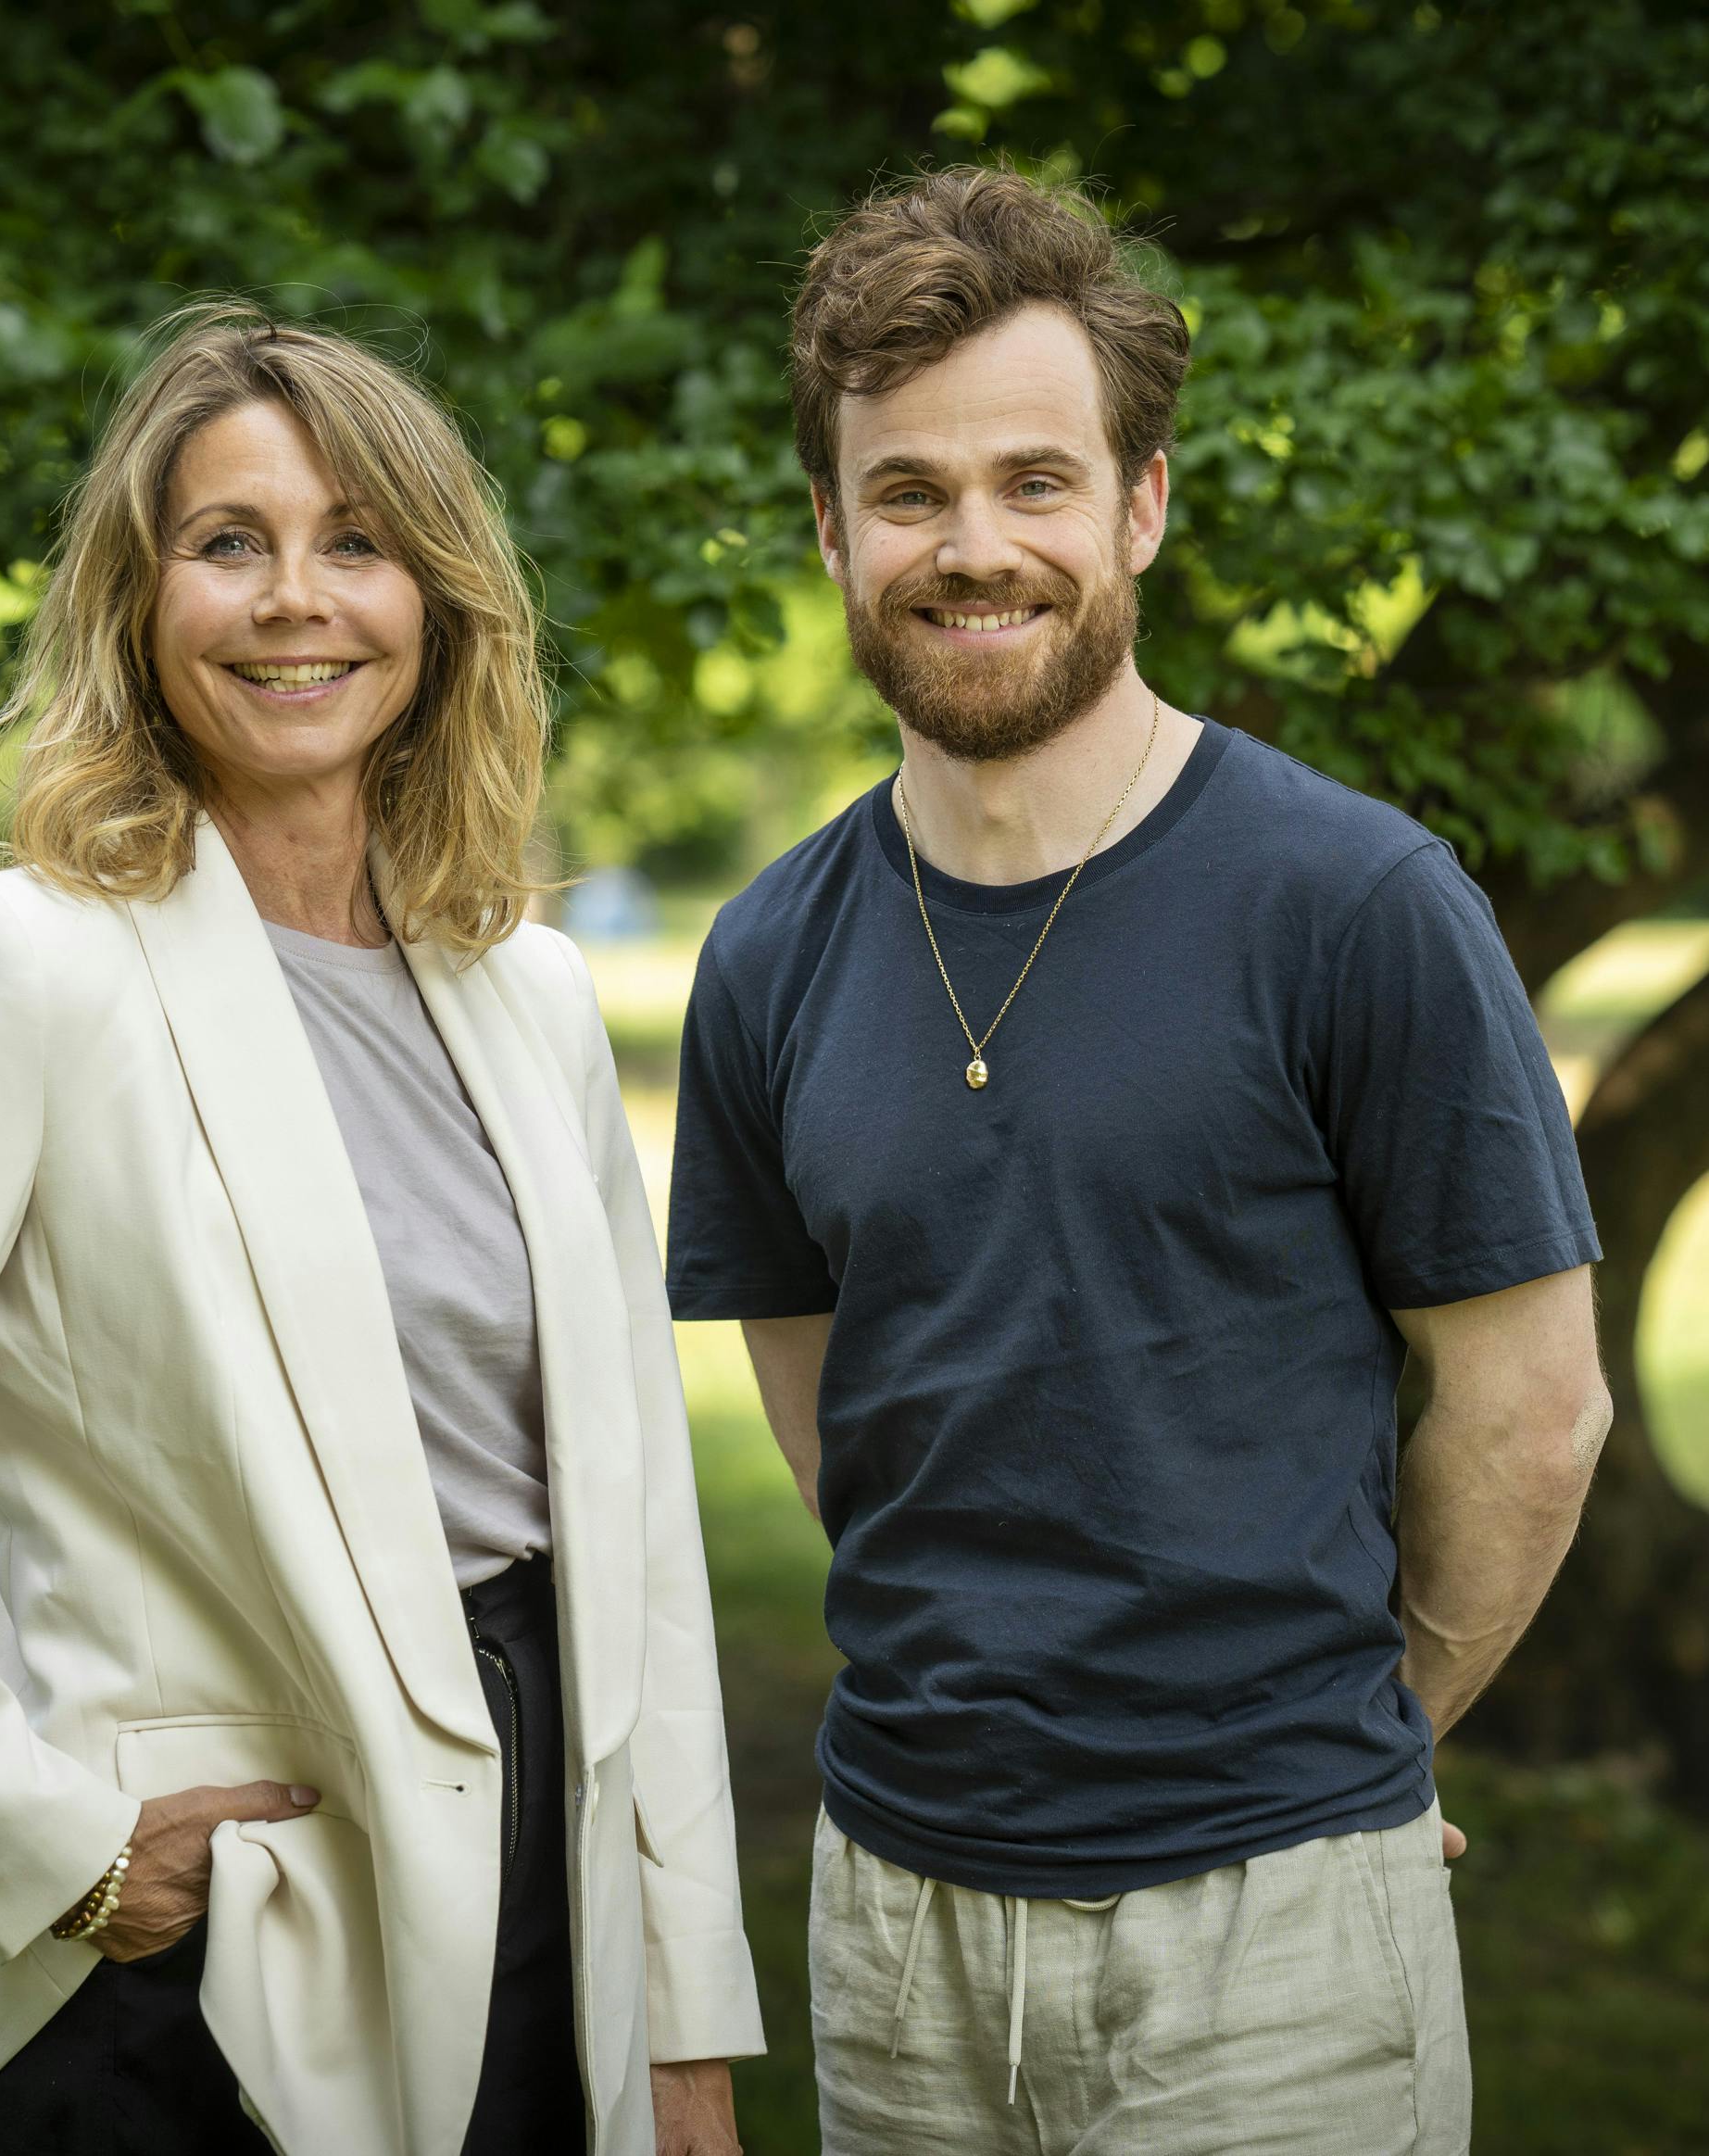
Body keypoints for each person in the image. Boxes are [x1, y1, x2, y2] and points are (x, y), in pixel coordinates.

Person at [0, 303, 761, 2156]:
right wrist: (48, 1844)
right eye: (228, 543)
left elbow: (639, 1542)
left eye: (356, 542)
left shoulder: (532, 997)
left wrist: (692, 2019)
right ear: (137, 603)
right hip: (220, 1960)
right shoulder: (14, 971)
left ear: (440, 601)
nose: (293, 600)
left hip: (554, 1901)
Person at [666, 166, 1610, 2156]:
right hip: (899, 1934)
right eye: (909, 493)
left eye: (1037, 480)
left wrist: (1345, 1760)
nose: (973, 545)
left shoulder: (1355, 902)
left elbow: (1531, 1409)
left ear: (1141, 505)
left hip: (1276, 1944)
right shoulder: (766, 956)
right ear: (833, 532)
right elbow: (845, 1424)